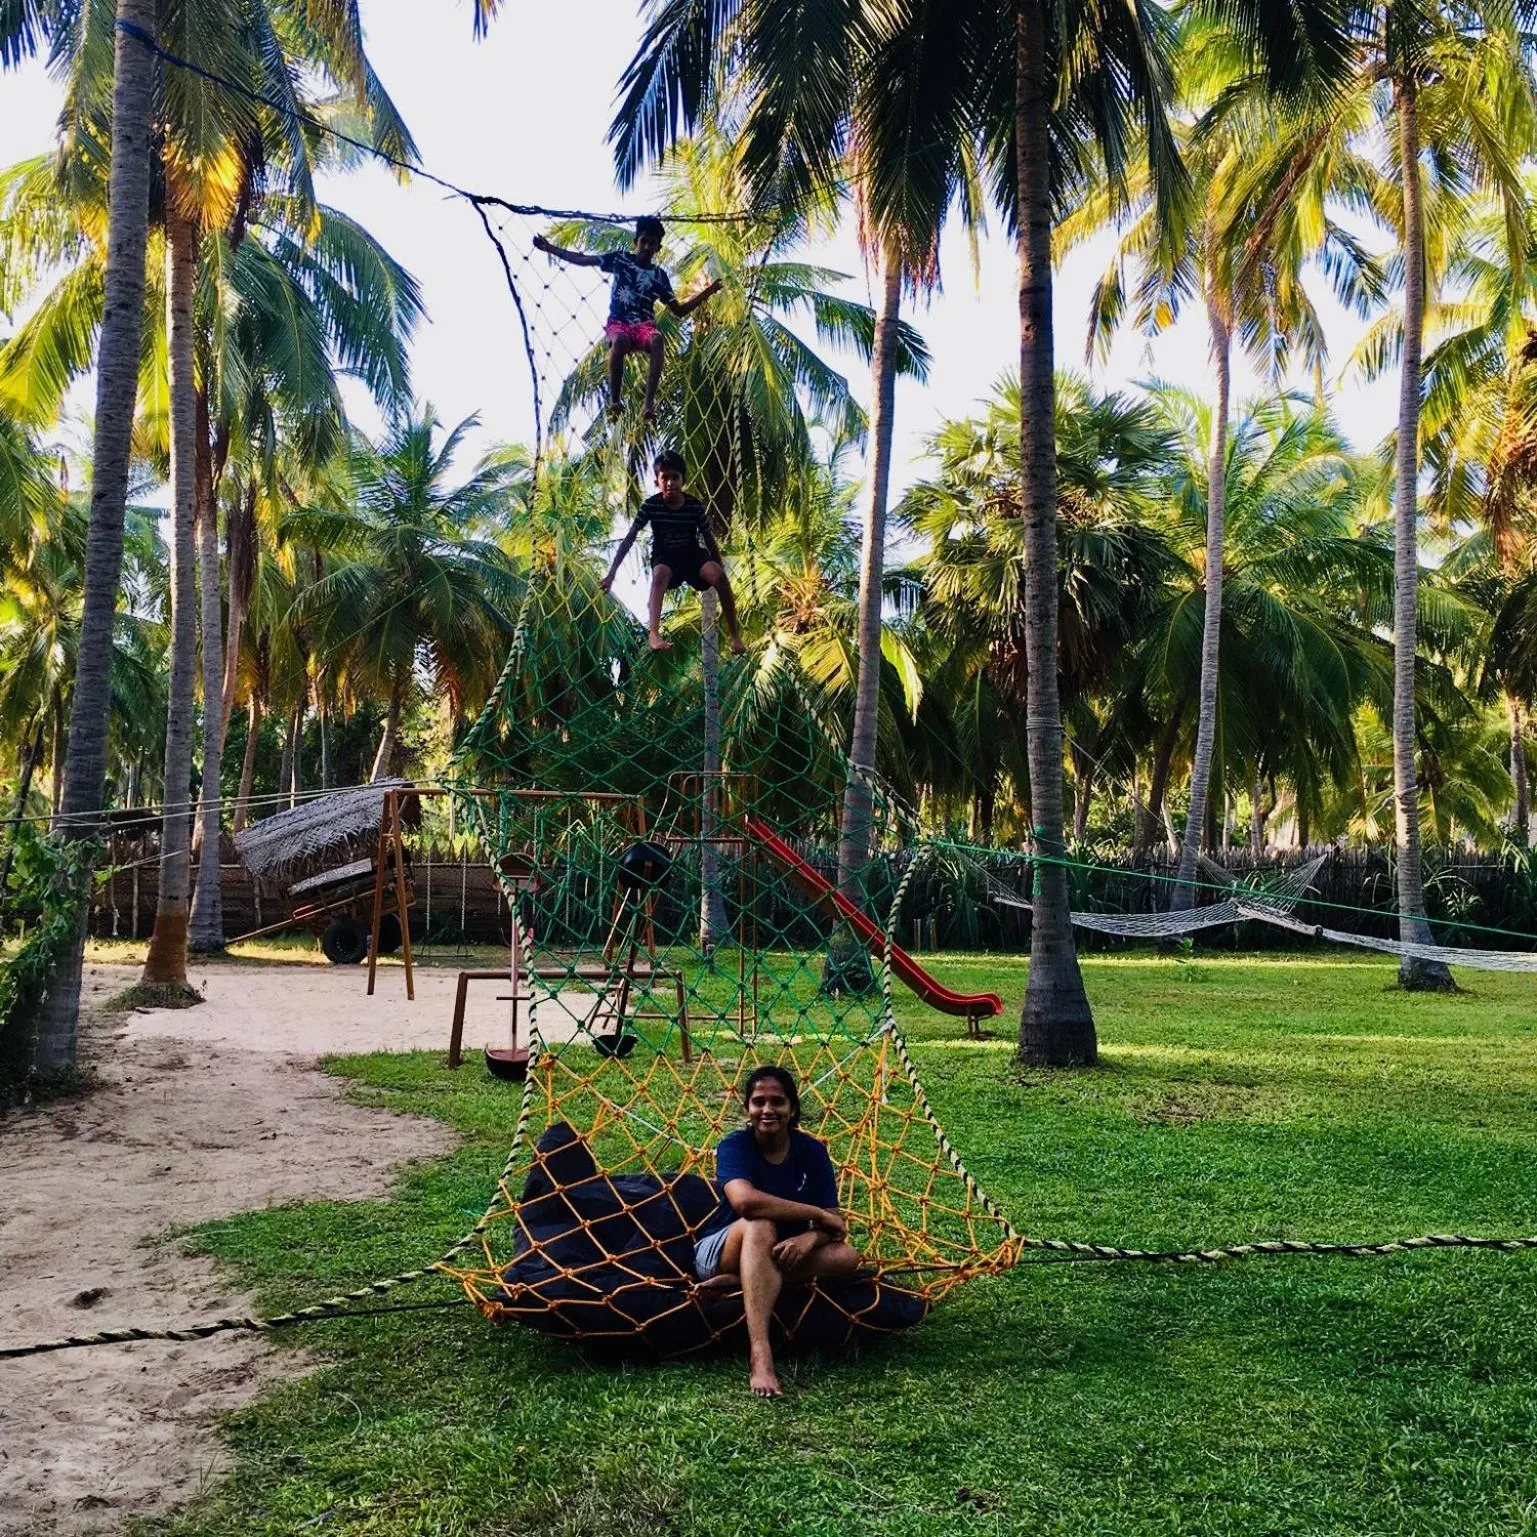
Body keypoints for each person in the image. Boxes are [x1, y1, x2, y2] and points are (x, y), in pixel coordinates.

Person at [692, 1064, 861, 1398]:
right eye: (758, 1102)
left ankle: (746, 1281)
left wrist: (810, 1236)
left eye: (777, 1101)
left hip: (781, 1252)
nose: (767, 1110)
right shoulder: (734, 1146)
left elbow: (834, 1225)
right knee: (761, 1224)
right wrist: (814, 1215)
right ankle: (761, 1354)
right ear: (747, 1109)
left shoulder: (812, 1151)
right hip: (721, 1248)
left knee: (848, 1256)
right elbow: (745, 1203)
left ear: (792, 1108)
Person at [533, 215, 722, 422]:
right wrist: (550, 248)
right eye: (644, 241)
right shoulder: (621, 259)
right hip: (619, 323)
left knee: (657, 339)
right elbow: (584, 260)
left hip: (644, 326)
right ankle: (615, 401)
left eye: (653, 243)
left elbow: (679, 310)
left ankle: (648, 404)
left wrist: (709, 291)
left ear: (658, 248)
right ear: (636, 242)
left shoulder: (659, 276)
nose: (648, 247)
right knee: (620, 341)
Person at [602, 450, 746, 655]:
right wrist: (612, 574)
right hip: (665, 556)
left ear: (683, 480)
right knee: (659, 575)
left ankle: (735, 637)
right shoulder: (651, 506)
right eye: (665, 478)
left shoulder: (694, 506)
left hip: (691, 555)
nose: (670, 483)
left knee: (719, 576)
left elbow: (709, 540)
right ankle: (654, 633)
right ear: (657, 482)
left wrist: (719, 567)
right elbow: (630, 537)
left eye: (675, 477)